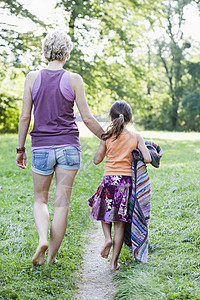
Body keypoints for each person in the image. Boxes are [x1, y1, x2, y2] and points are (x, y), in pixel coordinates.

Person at [16, 30, 104, 266]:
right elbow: (87, 118)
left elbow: (25, 117)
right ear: (66, 52)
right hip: (68, 149)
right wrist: (108, 136)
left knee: (40, 199)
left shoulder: (32, 77)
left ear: (46, 51)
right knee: (61, 203)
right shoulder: (74, 79)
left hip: (42, 148)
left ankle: (43, 239)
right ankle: (52, 257)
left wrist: (20, 148)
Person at [88, 100, 152, 270]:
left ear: (111, 117)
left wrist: (105, 145)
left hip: (109, 181)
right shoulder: (136, 137)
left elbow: (96, 160)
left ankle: (106, 238)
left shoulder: (107, 137)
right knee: (120, 224)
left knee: (104, 214)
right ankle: (113, 263)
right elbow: (147, 158)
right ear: (129, 118)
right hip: (125, 183)